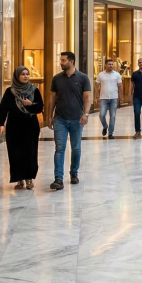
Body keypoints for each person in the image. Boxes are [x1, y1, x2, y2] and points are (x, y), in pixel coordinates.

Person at [0, 66, 44, 190]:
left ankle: (29, 179)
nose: (25, 76)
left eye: (27, 74)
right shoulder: (10, 91)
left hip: (30, 126)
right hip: (14, 126)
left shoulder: (34, 90)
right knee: (15, 153)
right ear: (17, 76)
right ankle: (19, 179)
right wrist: (0, 124)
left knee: (30, 152)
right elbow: (3, 108)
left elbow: (40, 107)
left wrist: (30, 104)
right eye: (22, 74)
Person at [49, 52, 91, 190]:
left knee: (76, 148)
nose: (61, 62)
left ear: (71, 62)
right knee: (59, 148)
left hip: (76, 119)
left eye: (63, 60)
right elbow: (52, 98)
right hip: (60, 118)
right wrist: (49, 116)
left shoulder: (83, 78)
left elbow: (87, 98)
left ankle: (74, 173)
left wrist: (86, 114)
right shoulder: (56, 78)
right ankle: (58, 179)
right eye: (61, 60)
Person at [96, 60, 123, 139]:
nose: (111, 66)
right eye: (109, 64)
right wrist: (96, 97)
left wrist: (121, 97)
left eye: (112, 64)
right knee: (101, 115)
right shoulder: (101, 75)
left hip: (114, 98)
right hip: (103, 98)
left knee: (113, 116)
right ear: (105, 65)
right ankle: (105, 126)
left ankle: (110, 133)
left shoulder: (117, 75)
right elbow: (96, 86)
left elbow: (120, 86)